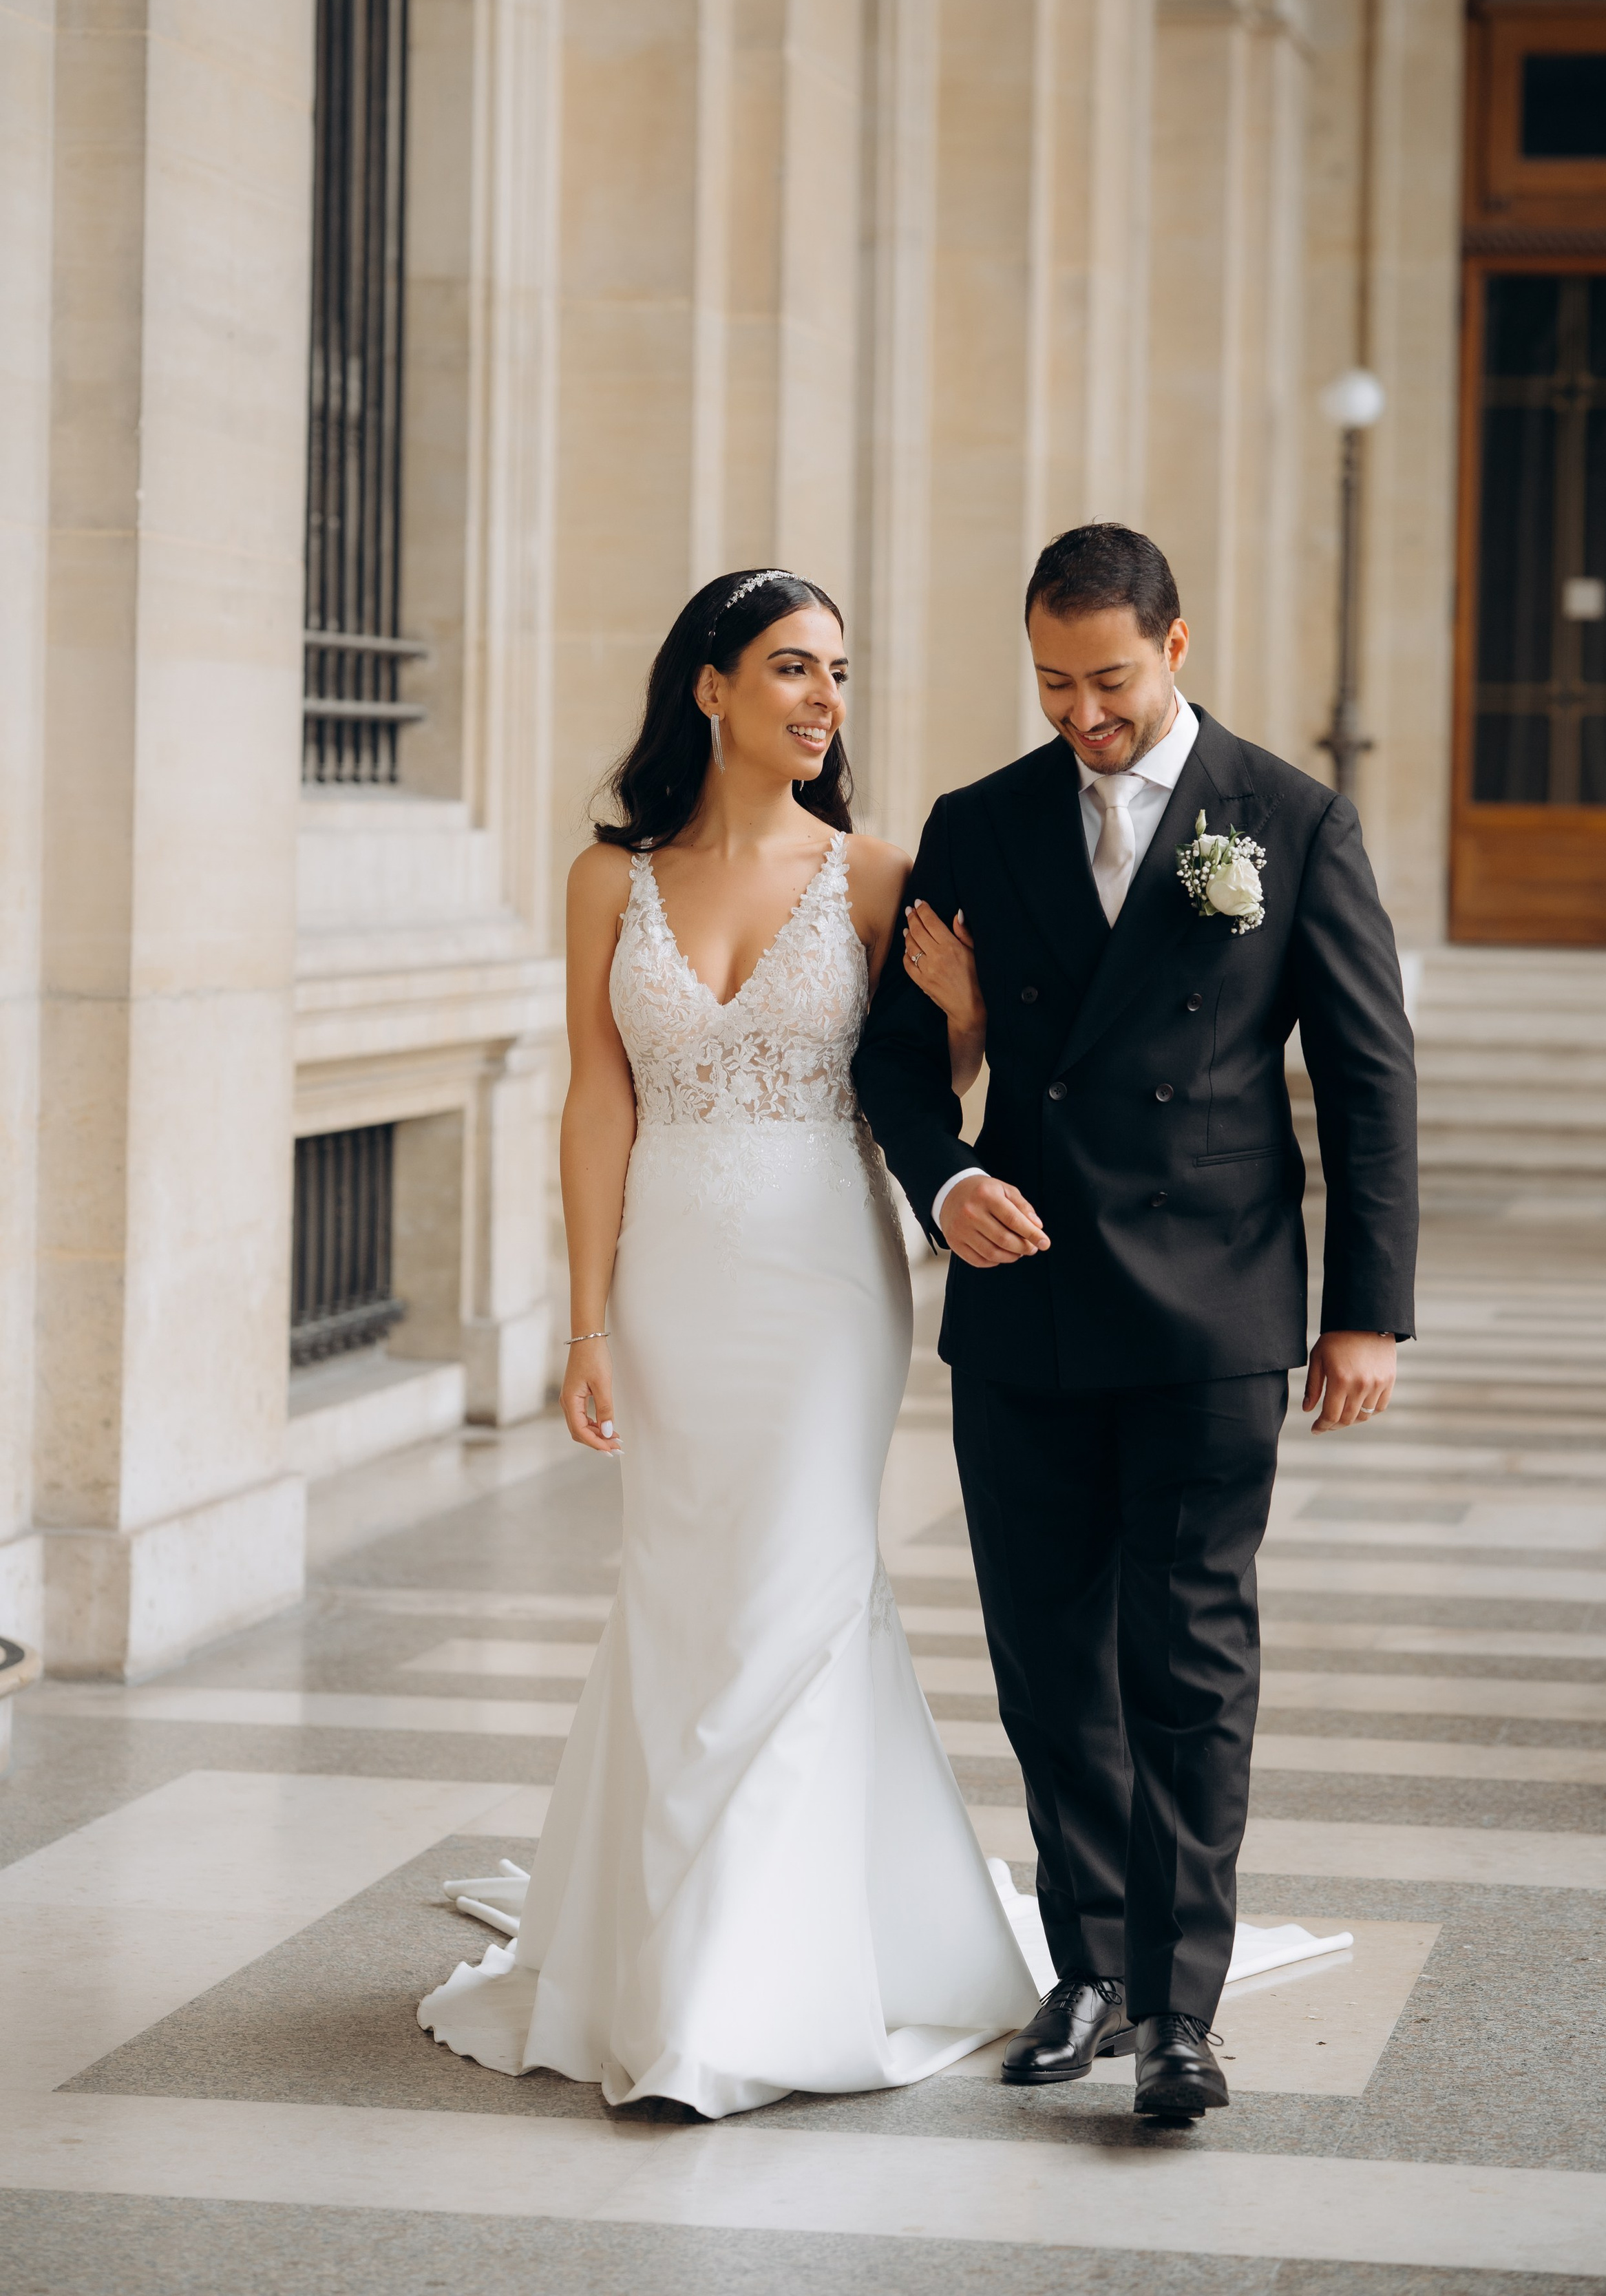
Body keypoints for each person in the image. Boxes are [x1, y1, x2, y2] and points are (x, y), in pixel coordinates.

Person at [419, 569, 1038, 2118]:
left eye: (838, 673)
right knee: (685, 1590)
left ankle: (738, 1994)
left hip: (828, 1277)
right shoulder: (605, 878)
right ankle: (668, 1954)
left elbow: (921, 1089)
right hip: (674, 1282)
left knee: (797, 1589)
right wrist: (584, 1319)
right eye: (791, 668)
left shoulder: (880, 876)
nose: (825, 701)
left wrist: (966, 1018)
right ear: (709, 686)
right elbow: (597, 1098)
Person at [853, 523, 1418, 2123]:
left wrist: (1364, 1313)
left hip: (1210, 1305)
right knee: (1047, 1662)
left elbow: (1366, 1075)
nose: (1080, 715)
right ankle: (1087, 1967)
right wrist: (945, 1176)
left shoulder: (1287, 819)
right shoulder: (978, 822)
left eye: (1106, 680)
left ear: (1174, 646)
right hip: (1024, 1300)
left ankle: (1179, 2010)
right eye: (1051, 683)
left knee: (1185, 1663)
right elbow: (893, 1057)